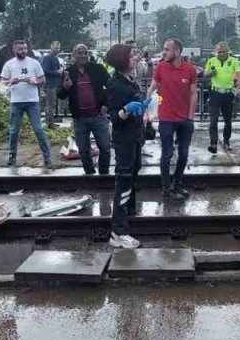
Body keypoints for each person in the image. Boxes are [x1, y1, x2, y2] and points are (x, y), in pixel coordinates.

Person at [106, 43, 149, 249]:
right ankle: (118, 231)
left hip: (135, 136)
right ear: (121, 60)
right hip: (124, 140)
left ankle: (127, 216)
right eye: (131, 56)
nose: (135, 58)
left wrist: (144, 109)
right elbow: (115, 117)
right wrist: (127, 109)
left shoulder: (130, 81)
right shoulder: (115, 84)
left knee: (132, 177)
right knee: (123, 182)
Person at [148, 38, 199, 199]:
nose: (164, 52)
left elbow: (193, 94)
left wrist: (190, 116)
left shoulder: (190, 69)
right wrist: (147, 112)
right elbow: (151, 89)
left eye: (167, 49)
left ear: (177, 52)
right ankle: (166, 188)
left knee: (183, 155)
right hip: (166, 119)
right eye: (164, 49)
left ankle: (178, 184)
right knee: (167, 154)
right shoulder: (161, 67)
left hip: (185, 119)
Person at [58, 43, 111, 176]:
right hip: (80, 118)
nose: (83, 55)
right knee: (83, 150)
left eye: (85, 53)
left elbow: (111, 87)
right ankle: (90, 175)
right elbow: (60, 95)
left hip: (98, 115)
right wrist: (65, 87)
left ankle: (104, 174)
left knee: (105, 147)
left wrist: (106, 104)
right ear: (73, 55)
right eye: (79, 53)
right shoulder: (68, 72)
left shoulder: (97, 69)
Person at [0, 39, 52, 167]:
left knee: (38, 129)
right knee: (14, 131)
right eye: (20, 49)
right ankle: (12, 155)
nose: (23, 51)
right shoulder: (9, 64)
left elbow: (43, 79)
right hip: (16, 102)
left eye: (25, 49)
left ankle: (47, 156)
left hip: (32, 101)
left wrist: (34, 81)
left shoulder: (34, 63)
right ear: (14, 50)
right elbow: (2, 82)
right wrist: (12, 80)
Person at [203, 41, 240, 154]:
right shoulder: (212, 60)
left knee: (228, 120)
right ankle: (213, 143)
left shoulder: (233, 61)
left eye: (223, 52)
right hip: (215, 93)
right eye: (219, 52)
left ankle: (226, 141)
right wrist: (212, 72)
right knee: (213, 120)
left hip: (228, 94)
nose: (221, 54)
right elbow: (205, 74)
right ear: (216, 52)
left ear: (227, 51)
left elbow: (238, 75)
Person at [40, 41, 64, 128]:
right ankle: (49, 123)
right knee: (50, 104)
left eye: (59, 48)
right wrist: (57, 72)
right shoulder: (48, 58)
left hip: (53, 84)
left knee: (52, 103)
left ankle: (50, 122)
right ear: (51, 47)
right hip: (49, 84)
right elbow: (44, 71)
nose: (58, 49)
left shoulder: (54, 57)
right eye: (56, 48)